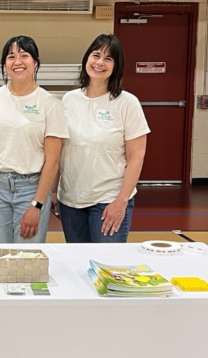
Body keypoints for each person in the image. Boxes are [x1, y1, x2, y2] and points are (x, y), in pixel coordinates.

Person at [0, 36, 69, 244]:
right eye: (11, 57)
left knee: (27, 258)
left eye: (24, 56)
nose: (17, 62)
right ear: (4, 64)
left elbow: (52, 161)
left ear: (35, 63)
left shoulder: (50, 103)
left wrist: (37, 205)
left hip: (31, 188)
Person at [56, 34, 149, 243]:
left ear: (116, 66)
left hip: (108, 200)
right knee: (79, 267)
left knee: (108, 269)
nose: (99, 62)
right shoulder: (69, 100)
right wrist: (55, 191)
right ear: (86, 59)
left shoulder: (127, 103)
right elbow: (60, 150)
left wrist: (121, 202)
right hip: (71, 200)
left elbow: (137, 157)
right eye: (96, 55)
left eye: (108, 58)